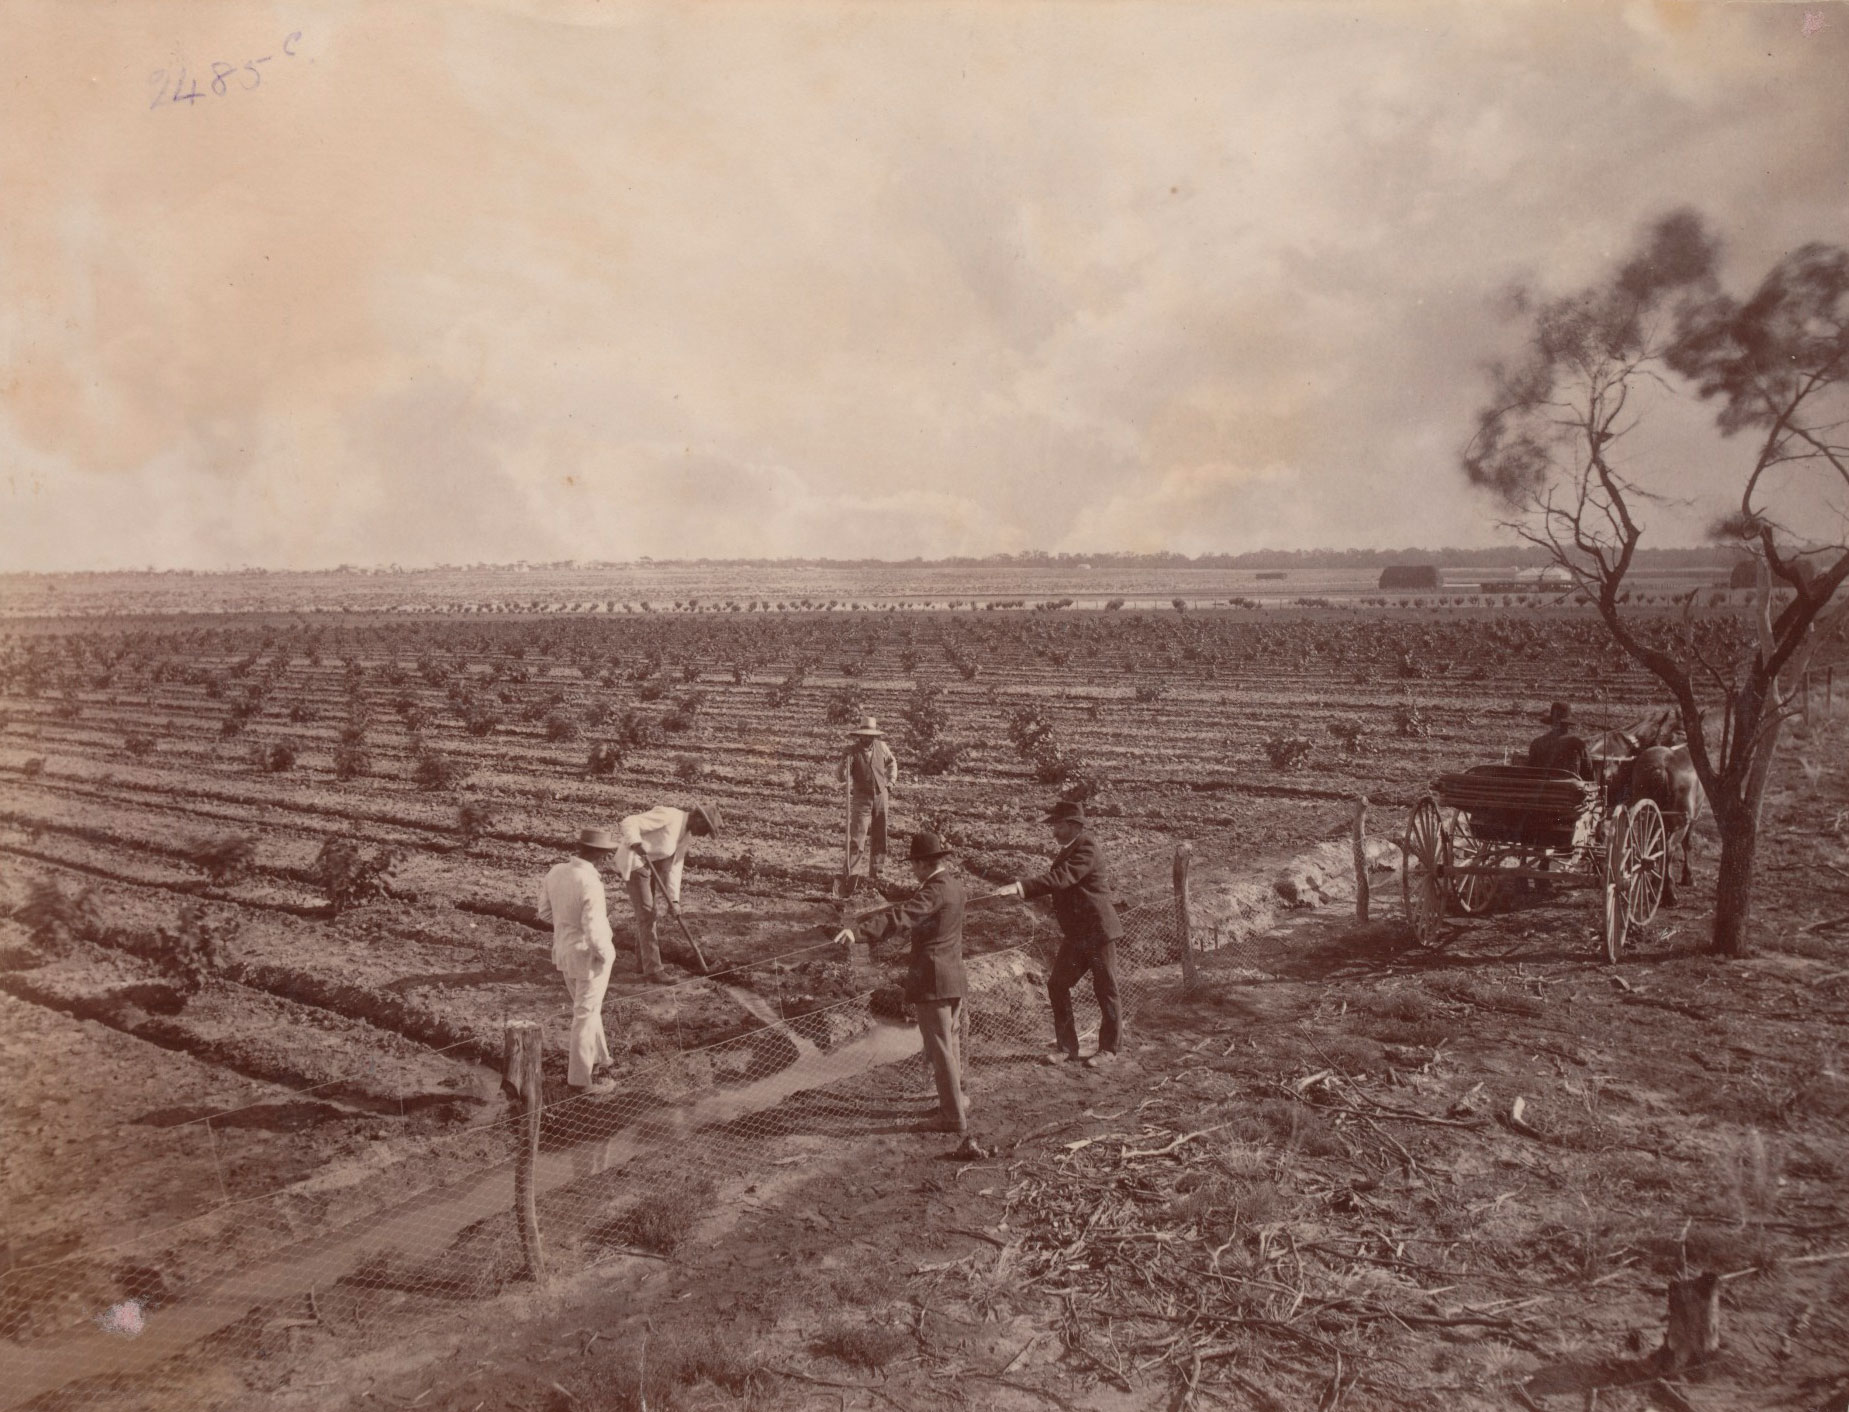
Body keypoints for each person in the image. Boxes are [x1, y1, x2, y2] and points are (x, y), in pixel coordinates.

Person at [838, 831, 969, 1134]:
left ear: (924, 864)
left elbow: (902, 916)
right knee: (951, 1044)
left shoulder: (933, 891)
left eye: (914, 864)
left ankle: (952, 1118)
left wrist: (858, 933)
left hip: (933, 980)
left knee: (940, 1048)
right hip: (954, 977)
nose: (912, 869)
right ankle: (957, 1101)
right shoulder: (955, 887)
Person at [995, 800, 1124, 1067]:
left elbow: (1061, 879)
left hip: (1097, 933)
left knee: (1106, 989)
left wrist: (1021, 887)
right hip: (1078, 936)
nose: (1052, 830)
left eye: (1057, 825)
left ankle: (1109, 1049)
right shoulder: (1070, 847)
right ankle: (1067, 1048)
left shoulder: (1086, 847)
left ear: (1072, 825)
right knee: (1057, 985)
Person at [536, 827, 622, 1095]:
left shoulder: (556, 871)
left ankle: (601, 1058)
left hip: (565, 952)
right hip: (588, 956)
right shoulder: (590, 882)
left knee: (587, 1007)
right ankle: (581, 1080)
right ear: (598, 854)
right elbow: (594, 928)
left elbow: (544, 913)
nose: (609, 859)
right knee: (584, 1014)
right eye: (607, 853)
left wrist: (567, 928)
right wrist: (607, 954)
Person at [616, 803, 721, 983]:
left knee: (647, 914)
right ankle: (653, 971)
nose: (704, 834)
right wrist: (635, 842)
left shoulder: (685, 836)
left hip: (650, 866)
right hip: (634, 861)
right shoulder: (669, 816)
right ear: (698, 818)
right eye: (706, 828)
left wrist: (675, 900)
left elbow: (675, 868)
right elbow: (629, 821)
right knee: (648, 914)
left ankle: (644, 962)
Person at [836, 717, 899, 892]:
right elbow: (841, 777)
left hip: (880, 795)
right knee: (857, 837)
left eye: (871, 736)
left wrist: (891, 782)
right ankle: (851, 872)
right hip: (861, 798)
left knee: (880, 834)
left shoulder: (882, 747)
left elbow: (892, 762)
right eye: (865, 736)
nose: (868, 739)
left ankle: (877, 872)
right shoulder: (852, 752)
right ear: (860, 736)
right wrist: (844, 762)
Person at [1527, 701, 1595, 780]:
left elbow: (1530, 771)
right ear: (1567, 724)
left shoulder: (1537, 743)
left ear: (1551, 722)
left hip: (1542, 790)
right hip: (1568, 790)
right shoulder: (1577, 744)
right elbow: (1588, 773)